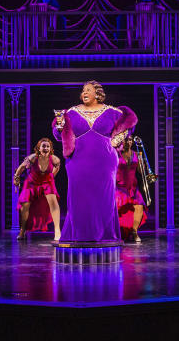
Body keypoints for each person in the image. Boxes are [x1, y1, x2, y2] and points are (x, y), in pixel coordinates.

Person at [52, 80, 136, 243]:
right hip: (77, 161)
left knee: (104, 197)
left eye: (88, 90)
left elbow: (130, 123)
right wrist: (60, 128)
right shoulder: (71, 112)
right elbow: (57, 134)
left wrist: (118, 138)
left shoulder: (112, 111)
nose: (84, 93)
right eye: (83, 90)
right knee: (79, 197)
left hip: (105, 161)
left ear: (97, 93)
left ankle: (105, 235)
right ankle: (77, 235)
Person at [14, 138, 63, 241]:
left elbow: (56, 169)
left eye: (47, 146)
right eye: (43, 146)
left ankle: (57, 230)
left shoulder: (55, 159)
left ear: (50, 149)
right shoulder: (32, 158)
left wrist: (50, 177)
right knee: (25, 205)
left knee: (54, 203)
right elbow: (21, 168)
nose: (45, 148)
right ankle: (22, 230)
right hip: (32, 182)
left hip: (46, 182)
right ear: (39, 148)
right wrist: (16, 180)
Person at [114, 134, 147, 243]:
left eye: (130, 140)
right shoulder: (116, 153)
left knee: (139, 206)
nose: (129, 142)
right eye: (126, 140)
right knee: (117, 210)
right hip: (119, 187)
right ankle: (115, 232)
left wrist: (143, 164)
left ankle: (134, 231)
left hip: (132, 187)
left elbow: (140, 172)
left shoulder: (136, 154)